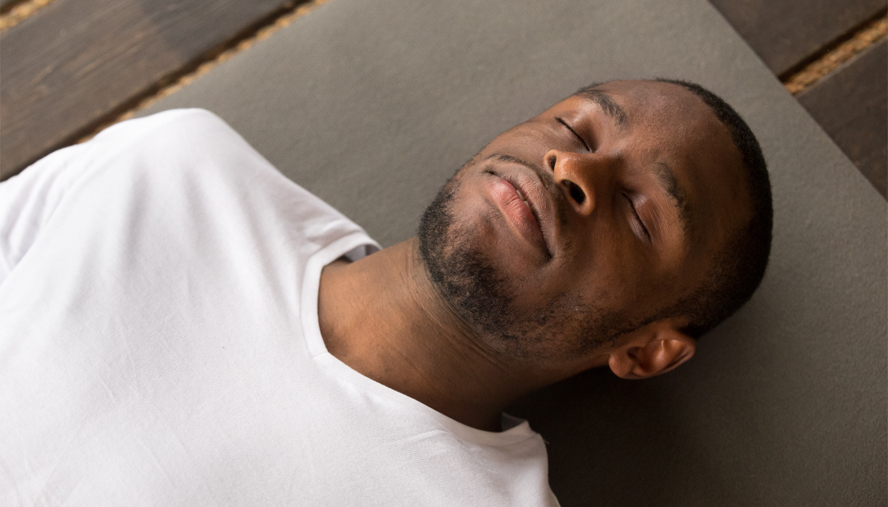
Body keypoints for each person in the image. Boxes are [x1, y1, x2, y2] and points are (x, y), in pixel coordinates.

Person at [0, 79, 772, 506]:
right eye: (574, 127)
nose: (573, 169)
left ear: (645, 349)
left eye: (640, 211)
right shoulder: (172, 168)